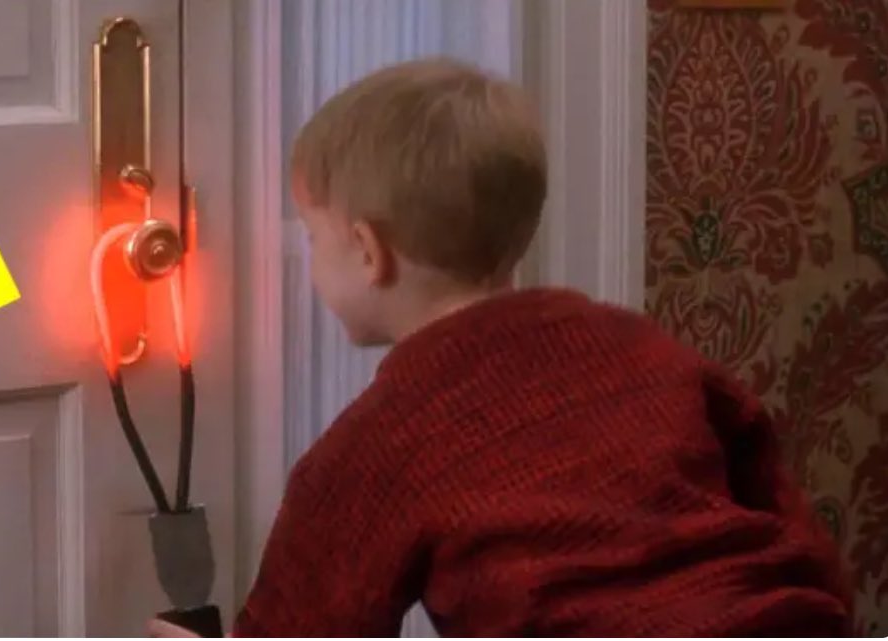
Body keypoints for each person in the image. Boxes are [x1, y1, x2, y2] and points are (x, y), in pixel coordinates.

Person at [151, 57, 852, 637]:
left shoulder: (379, 443)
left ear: (367, 252)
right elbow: (776, 496)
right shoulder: (637, 345)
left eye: (312, 236)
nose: (309, 255)